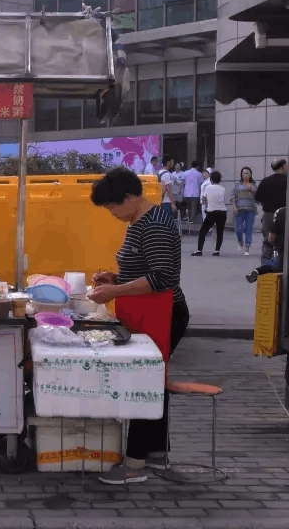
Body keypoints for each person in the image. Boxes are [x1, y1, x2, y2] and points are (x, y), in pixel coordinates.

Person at [88, 168, 188, 485]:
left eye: (113, 207)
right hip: (147, 310)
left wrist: (114, 291)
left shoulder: (155, 225)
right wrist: (114, 279)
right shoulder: (139, 222)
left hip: (164, 312)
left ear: (131, 198)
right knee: (152, 380)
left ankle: (134, 464)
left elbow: (162, 278)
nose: (112, 213)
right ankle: (157, 451)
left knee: (143, 381)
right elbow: (142, 268)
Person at [255, 159, 287, 266]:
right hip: (285, 215)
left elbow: (258, 197)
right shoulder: (287, 181)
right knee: (285, 241)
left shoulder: (265, 181)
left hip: (269, 215)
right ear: (282, 167)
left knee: (268, 242)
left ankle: (264, 269)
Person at [192, 171, 227, 257]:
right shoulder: (223, 188)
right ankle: (217, 250)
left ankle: (199, 250)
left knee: (203, 231)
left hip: (212, 211)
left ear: (211, 179)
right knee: (220, 232)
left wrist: (206, 201)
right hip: (222, 211)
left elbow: (204, 200)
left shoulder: (208, 187)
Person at [247, 207, 286, 283]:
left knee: (275, 263)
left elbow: (271, 236)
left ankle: (258, 271)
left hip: (283, 248)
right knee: (276, 263)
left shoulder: (281, 212)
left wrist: (275, 245)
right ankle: (258, 271)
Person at [232, 166, 257, 256]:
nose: (245, 175)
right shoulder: (237, 185)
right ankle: (240, 241)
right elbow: (233, 196)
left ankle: (247, 247)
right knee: (238, 229)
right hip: (239, 209)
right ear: (241, 175)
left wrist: (249, 187)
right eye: (244, 173)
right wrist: (234, 206)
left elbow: (256, 195)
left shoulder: (253, 185)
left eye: (247, 173)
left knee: (249, 229)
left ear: (250, 175)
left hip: (250, 210)